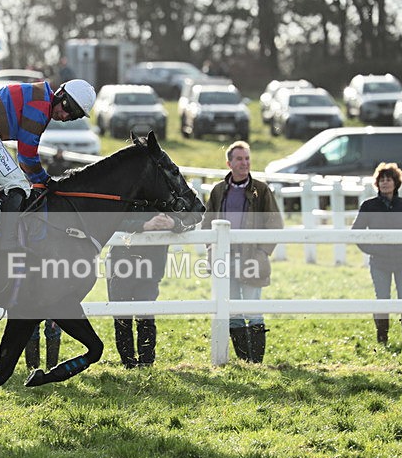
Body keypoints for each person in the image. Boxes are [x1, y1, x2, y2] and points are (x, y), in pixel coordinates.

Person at [0, 78, 96, 251]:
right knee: (18, 186)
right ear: (60, 94)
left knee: (3, 190)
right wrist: (44, 179)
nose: (65, 115)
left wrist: (40, 179)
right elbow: (26, 156)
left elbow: (27, 156)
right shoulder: (41, 105)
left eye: (74, 115)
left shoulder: (42, 99)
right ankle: (8, 243)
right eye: (68, 107)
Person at [202, 140, 284, 363]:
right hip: (224, 259)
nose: (244, 163)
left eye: (247, 158)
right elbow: (207, 224)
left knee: (252, 308)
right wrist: (212, 249)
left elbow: (275, 224)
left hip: (252, 259)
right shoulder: (218, 191)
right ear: (229, 163)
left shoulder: (261, 190)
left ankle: (256, 361)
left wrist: (261, 253)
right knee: (232, 311)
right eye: (239, 159)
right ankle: (244, 358)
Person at [351, 162, 402, 347]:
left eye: (388, 179)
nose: (385, 183)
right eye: (381, 180)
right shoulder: (368, 205)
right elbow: (356, 232)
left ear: (395, 182)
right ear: (377, 183)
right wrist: (372, 250)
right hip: (379, 262)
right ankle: (382, 339)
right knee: (382, 299)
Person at [106, 210, 184, 368]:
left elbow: (192, 218)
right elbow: (109, 221)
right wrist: (143, 226)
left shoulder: (166, 196)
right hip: (120, 264)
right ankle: (127, 362)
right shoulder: (125, 192)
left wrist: (174, 223)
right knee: (122, 317)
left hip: (151, 267)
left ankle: (146, 363)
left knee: (146, 315)